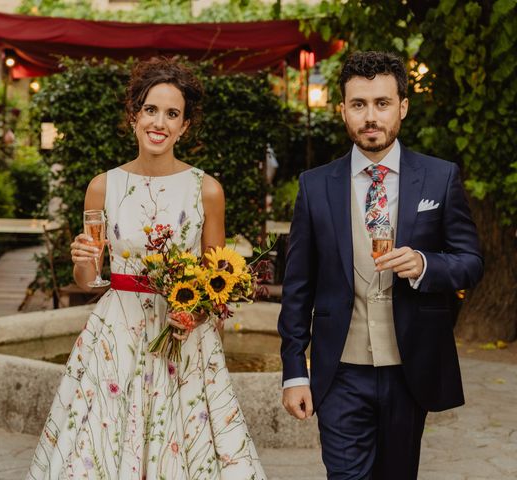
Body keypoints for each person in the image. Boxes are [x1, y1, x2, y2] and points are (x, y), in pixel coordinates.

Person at [27, 57, 266, 479]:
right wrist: (83, 262)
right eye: (151, 110)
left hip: (184, 336)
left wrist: (195, 314)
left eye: (172, 114)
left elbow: (219, 282)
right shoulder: (103, 186)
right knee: (102, 444)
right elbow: (88, 282)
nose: (160, 122)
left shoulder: (206, 190)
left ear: (185, 126)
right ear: (134, 115)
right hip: (116, 333)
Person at [278, 51, 483, 479]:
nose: (370, 116)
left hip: (409, 371)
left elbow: (470, 263)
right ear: (343, 111)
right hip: (340, 372)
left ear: (402, 107)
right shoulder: (314, 186)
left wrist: (426, 264)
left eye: (382, 103)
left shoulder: (439, 177)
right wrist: (294, 371)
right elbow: (298, 288)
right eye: (359, 104)